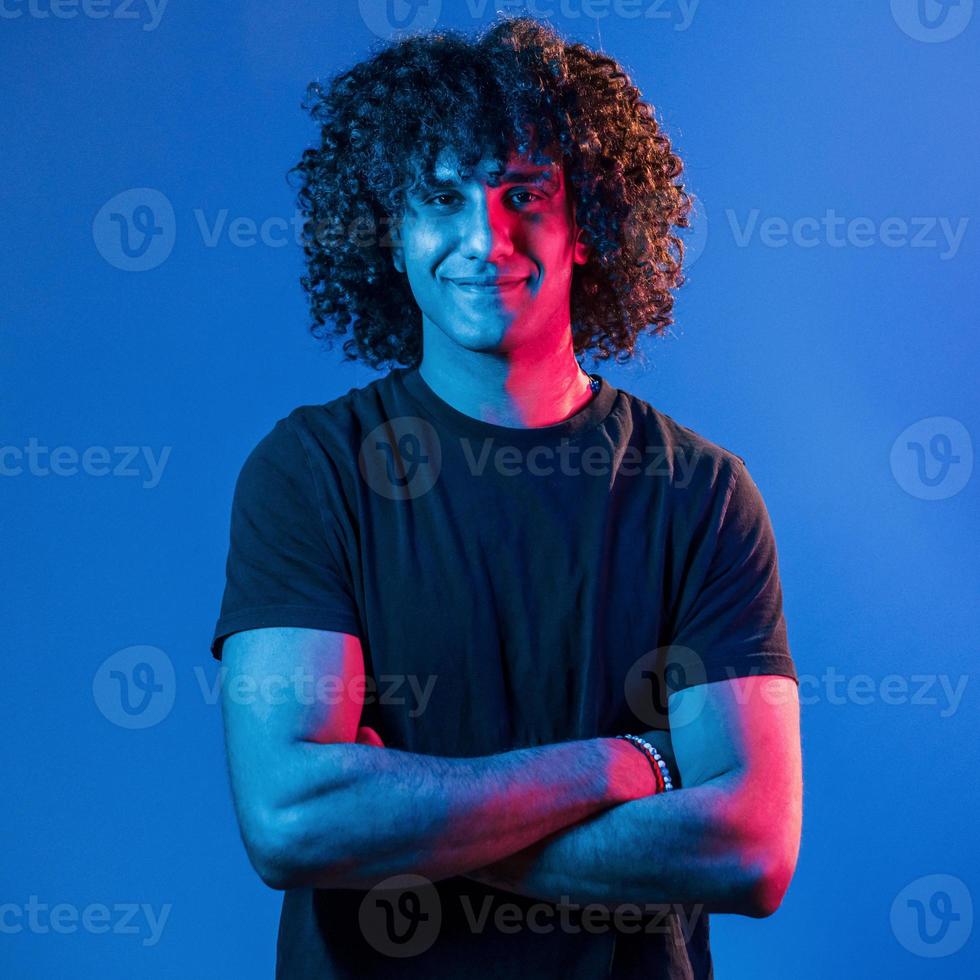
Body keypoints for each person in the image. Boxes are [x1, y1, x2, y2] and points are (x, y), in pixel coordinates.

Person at [210, 16, 802, 979]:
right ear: (390, 234)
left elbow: (750, 848)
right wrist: (626, 768)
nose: (486, 235)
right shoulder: (310, 470)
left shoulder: (701, 495)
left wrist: (400, 823)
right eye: (440, 197)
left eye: (525, 192)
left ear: (589, 226)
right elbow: (290, 821)